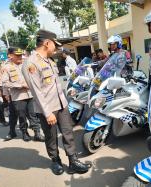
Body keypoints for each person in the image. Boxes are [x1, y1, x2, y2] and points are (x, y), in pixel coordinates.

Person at [22, 29, 92, 175]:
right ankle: (55, 161)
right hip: (47, 109)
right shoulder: (31, 63)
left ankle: (73, 161)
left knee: (68, 133)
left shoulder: (50, 60)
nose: (56, 48)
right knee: (51, 137)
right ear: (47, 43)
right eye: (55, 44)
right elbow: (37, 92)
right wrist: (48, 113)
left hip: (61, 104)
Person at [2, 47, 44, 142]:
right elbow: (4, 83)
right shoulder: (7, 67)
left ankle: (37, 133)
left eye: (21, 55)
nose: (20, 57)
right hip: (18, 97)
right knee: (22, 116)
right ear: (11, 56)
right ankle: (24, 132)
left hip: (30, 95)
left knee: (33, 115)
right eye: (17, 55)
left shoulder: (26, 64)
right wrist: (20, 85)